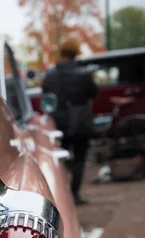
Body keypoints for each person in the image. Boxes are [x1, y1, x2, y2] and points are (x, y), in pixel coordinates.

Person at [42, 39, 99, 205]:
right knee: (80, 157)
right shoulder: (84, 73)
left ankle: (62, 193)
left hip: (60, 122)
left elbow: (46, 94)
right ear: (76, 53)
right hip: (81, 122)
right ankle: (75, 194)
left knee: (60, 158)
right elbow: (95, 93)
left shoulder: (51, 74)